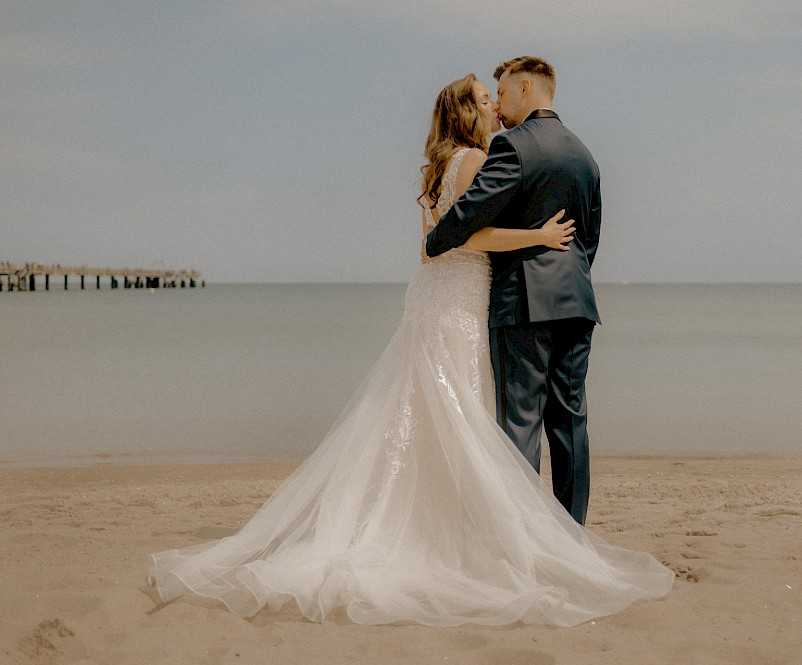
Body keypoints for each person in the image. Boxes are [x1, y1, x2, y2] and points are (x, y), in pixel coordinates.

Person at [148, 73, 672, 627]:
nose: (494, 106)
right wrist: (539, 238)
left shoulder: (441, 167)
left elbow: (435, 243)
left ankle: (490, 532)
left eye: (496, 95)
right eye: (484, 100)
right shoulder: (480, 160)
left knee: (448, 417)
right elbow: (461, 236)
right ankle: (523, 538)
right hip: (473, 301)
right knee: (489, 419)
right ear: (467, 111)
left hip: (442, 300)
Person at [426, 56, 600, 526]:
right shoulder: (584, 153)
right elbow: (590, 238)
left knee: (520, 426)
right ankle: (572, 538)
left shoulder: (513, 147)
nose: (497, 106)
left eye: (500, 93)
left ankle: (524, 542)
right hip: (577, 303)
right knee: (570, 425)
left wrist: (434, 240)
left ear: (525, 88)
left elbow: (470, 213)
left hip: (524, 303)